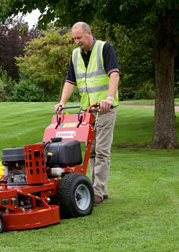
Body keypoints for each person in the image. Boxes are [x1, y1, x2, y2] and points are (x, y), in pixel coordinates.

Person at [54, 22, 120, 206]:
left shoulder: (104, 48)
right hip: (87, 110)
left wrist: (108, 97)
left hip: (105, 108)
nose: (77, 42)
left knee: (102, 151)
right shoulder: (75, 55)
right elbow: (70, 81)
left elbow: (114, 74)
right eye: (74, 39)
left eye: (79, 38)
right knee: (90, 151)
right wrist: (62, 102)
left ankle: (97, 191)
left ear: (89, 33)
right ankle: (97, 188)